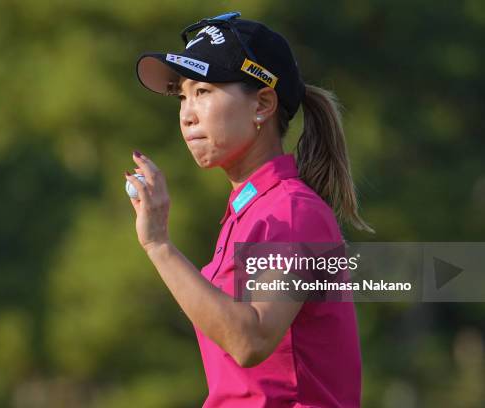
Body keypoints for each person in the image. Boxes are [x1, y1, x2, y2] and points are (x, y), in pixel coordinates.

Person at [126, 11, 375, 408]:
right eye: (182, 95)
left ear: (262, 104)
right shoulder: (251, 211)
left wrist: (159, 245)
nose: (187, 114)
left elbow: (251, 339)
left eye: (204, 91)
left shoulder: (292, 211)